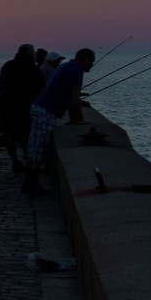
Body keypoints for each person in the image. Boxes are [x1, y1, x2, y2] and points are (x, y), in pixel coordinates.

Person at [25, 47, 97, 194]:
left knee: (35, 147)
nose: (92, 65)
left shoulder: (67, 66)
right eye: (92, 61)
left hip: (40, 107)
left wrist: (74, 119)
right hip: (47, 110)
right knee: (39, 149)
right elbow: (75, 98)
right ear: (85, 59)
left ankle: (30, 184)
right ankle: (31, 186)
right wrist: (80, 119)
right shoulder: (76, 70)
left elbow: (70, 98)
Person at [0, 44, 43, 174]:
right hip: (23, 107)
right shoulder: (32, 68)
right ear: (29, 54)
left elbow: (2, 86)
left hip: (5, 106)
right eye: (33, 53)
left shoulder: (7, 66)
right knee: (25, 134)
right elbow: (40, 90)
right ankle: (27, 159)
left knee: (8, 133)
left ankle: (14, 160)